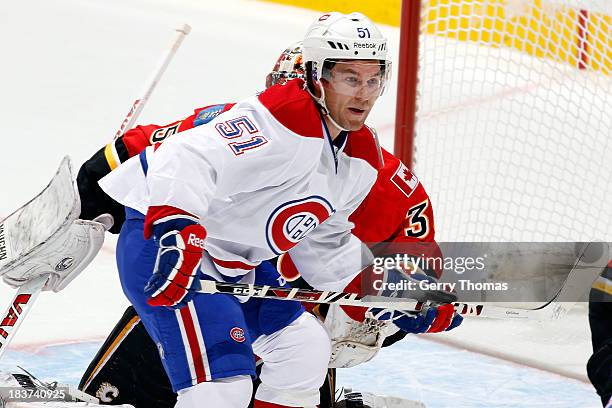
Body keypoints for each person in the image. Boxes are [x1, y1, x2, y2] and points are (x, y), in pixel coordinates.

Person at [81, 13, 461, 408]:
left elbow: (325, 251)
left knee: (305, 351)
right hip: (164, 247)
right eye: (350, 78)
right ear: (318, 77)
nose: (363, 94)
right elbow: (184, 157)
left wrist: (394, 294)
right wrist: (179, 229)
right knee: (224, 387)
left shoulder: (361, 157)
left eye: (372, 79)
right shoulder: (281, 116)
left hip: (233, 263)